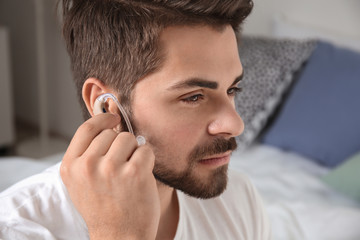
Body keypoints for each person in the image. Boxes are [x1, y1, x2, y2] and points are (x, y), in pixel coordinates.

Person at [0, 0, 271, 239]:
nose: (235, 124)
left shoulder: (239, 200)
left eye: (232, 90)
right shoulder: (18, 230)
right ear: (107, 107)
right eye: (194, 97)